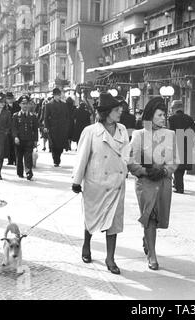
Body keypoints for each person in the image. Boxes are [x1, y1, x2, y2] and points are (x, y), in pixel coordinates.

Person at [72, 93, 130, 275]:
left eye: (119, 109)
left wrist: (125, 169)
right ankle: (86, 244)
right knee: (92, 216)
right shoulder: (90, 131)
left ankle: (110, 258)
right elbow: (81, 157)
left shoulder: (122, 130)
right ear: (106, 113)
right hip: (95, 183)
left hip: (116, 184)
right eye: (116, 110)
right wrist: (76, 180)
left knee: (113, 222)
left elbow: (127, 154)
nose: (120, 111)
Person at [128, 97, 179, 271]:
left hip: (163, 182)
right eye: (160, 115)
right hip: (145, 183)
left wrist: (165, 171)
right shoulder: (138, 135)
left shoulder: (170, 135)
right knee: (149, 216)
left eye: (164, 115)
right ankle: (152, 255)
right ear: (150, 116)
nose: (163, 118)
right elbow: (131, 161)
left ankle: (147, 239)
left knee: (157, 219)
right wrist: (146, 171)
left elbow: (175, 160)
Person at [168, 100, 195, 194]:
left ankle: (179, 187)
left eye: (172, 108)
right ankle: (178, 185)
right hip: (186, 145)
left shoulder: (171, 119)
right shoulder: (189, 118)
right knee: (182, 168)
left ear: (175, 108)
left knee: (176, 167)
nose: (171, 110)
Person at [12, 95, 39, 180]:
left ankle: (28, 172)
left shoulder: (33, 116)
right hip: (19, 140)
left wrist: (35, 140)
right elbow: (14, 128)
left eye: (27, 103)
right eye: (23, 103)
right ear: (19, 104)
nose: (25, 105)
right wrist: (15, 137)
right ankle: (20, 172)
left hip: (29, 140)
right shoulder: (16, 116)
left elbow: (35, 129)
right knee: (19, 157)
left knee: (28, 157)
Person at [44, 88, 70, 167]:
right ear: (54, 96)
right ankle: (56, 160)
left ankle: (58, 156)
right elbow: (46, 117)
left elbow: (67, 116)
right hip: (53, 128)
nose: (59, 97)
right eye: (57, 95)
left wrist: (67, 125)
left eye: (59, 95)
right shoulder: (48, 105)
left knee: (61, 144)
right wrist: (46, 126)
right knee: (54, 144)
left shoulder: (64, 105)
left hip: (62, 128)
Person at [5, 92, 21, 165]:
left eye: (11, 98)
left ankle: (16, 160)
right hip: (8, 128)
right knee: (9, 144)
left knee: (16, 144)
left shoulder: (17, 106)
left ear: (13, 98)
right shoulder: (4, 107)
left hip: (16, 127)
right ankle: (10, 160)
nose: (10, 100)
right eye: (8, 99)